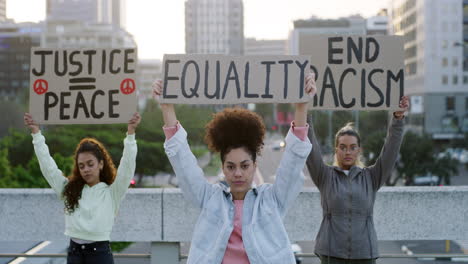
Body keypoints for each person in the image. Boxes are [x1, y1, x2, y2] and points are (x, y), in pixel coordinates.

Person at [152, 74, 315, 264]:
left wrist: (302, 107)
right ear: (222, 167)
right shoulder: (209, 198)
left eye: (244, 166)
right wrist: (166, 106)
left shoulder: (272, 200)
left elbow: (293, 161)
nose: (238, 173)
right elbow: (182, 159)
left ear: (255, 166)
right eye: (231, 166)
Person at [305, 81, 409, 264]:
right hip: (330, 254)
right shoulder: (325, 176)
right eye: (343, 147)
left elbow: (391, 150)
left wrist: (398, 118)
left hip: (365, 254)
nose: (347, 152)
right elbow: (310, 146)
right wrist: (304, 110)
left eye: (353, 147)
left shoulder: (371, 177)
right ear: (336, 149)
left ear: (359, 150)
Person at [23, 112, 140, 264]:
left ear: (101, 164)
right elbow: (48, 167)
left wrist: (130, 133)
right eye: (81, 166)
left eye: (90, 164)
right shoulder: (69, 190)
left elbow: (127, 166)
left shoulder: (112, 192)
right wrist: (36, 133)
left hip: (100, 255)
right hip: (74, 253)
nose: (86, 169)